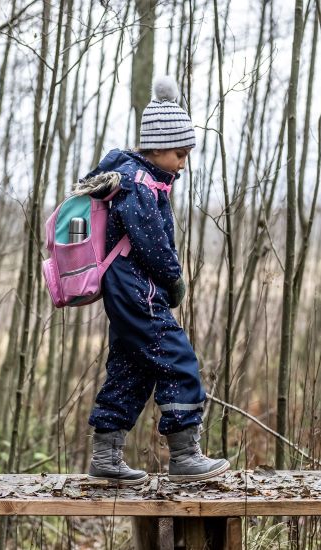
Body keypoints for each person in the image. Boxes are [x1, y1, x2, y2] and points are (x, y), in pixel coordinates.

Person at [80, 76, 229, 485]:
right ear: (158, 147)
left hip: (125, 285)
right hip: (136, 286)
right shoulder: (138, 184)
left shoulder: (133, 178)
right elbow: (151, 242)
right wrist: (174, 278)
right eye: (180, 153)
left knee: (133, 367)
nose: (183, 162)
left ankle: (106, 457)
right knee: (176, 357)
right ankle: (184, 456)